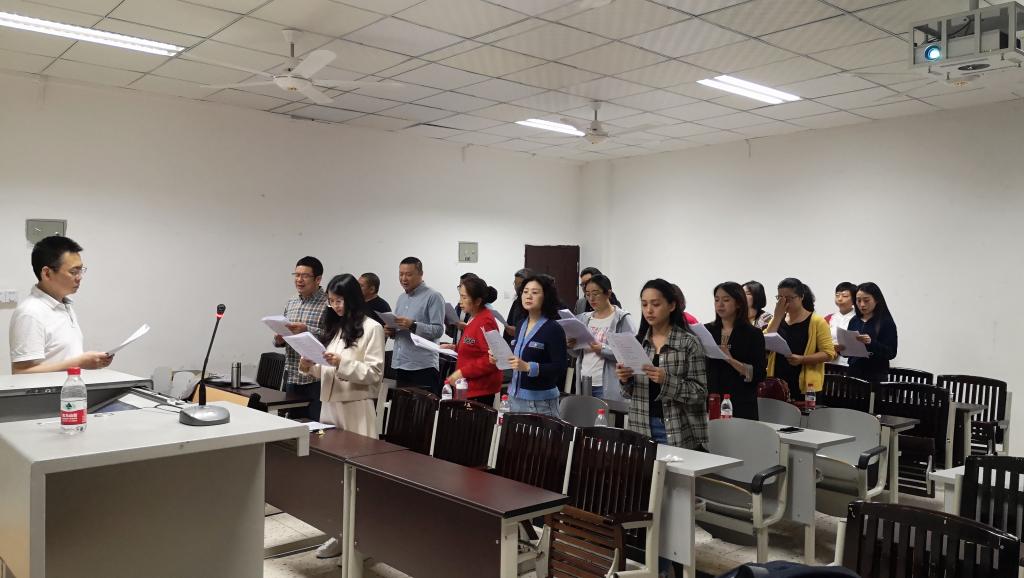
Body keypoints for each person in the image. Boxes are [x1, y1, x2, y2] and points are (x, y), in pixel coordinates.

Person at [298, 273, 384, 559]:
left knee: (358, 478)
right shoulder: (335, 328)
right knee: (334, 475)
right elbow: (327, 369)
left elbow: (374, 374)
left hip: (356, 408)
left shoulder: (372, 328)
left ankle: (363, 540)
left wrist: (342, 363)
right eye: (331, 301)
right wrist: (310, 366)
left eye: (339, 301)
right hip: (330, 407)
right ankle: (339, 534)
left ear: (353, 299)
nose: (334, 306)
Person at [615, 278, 708, 450]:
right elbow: (628, 393)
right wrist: (625, 379)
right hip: (640, 426)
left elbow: (700, 393)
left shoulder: (688, 343)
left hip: (675, 429)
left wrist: (667, 380)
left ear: (672, 306)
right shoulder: (637, 343)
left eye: (655, 304)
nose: (649, 310)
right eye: (644, 304)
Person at [9, 235, 113, 374]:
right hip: (50, 389)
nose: (79, 277)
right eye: (73, 272)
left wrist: (88, 362)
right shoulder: (30, 313)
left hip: (71, 386)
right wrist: (79, 362)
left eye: (81, 270)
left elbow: (63, 358)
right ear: (47, 273)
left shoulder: (64, 305)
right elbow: (21, 372)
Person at [490, 274, 567, 417]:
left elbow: (560, 367)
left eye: (535, 292)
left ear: (546, 297)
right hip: (514, 398)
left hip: (540, 403)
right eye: (525, 292)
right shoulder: (521, 324)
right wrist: (499, 358)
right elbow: (519, 357)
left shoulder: (553, 328)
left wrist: (528, 367)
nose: (528, 296)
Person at [273, 256, 328, 419]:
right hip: (292, 374)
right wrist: (279, 340)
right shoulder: (291, 302)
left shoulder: (328, 304)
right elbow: (286, 335)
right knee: (293, 424)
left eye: (305, 276)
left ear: (318, 279)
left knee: (315, 426)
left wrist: (307, 330)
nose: (299, 280)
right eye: (296, 275)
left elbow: (334, 338)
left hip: (316, 377)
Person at [765, 278, 836, 401]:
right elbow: (765, 341)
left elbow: (829, 353)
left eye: (789, 298)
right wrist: (777, 316)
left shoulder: (817, 321)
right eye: (780, 298)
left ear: (801, 297)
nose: (784, 303)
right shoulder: (777, 319)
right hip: (778, 380)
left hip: (805, 384)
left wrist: (802, 359)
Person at [568, 274, 635, 401]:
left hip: (608, 385)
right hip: (584, 381)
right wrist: (571, 346)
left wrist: (602, 349)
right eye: (587, 294)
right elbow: (577, 354)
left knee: (606, 414)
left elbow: (629, 354)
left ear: (608, 293)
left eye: (595, 293)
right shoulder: (583, 318)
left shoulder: (622, 319)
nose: (591, 298)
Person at [705, 282, 766, 420]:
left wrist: (730, 360)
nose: (720, 304)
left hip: (741, 404)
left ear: (738, 303)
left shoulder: (753, 334)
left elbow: (759, 374)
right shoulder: (707, 330)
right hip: (712, 401)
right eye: (716, 300)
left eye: (726, 300)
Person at [388, 257, 445, 396]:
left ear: (421, 274)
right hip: (400, 364)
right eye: (401, 274)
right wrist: (392, 331)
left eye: (408, 274)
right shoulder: (401, 298)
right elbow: (401, 329)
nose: (403, 278)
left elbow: (438, 330)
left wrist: (413, 325)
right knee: (402, 408)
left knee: (423, 408)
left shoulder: (433, 296)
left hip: (422, 366)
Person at [445, 276, 502, 406]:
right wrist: (454, 347)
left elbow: (491, 359)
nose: (460, 302)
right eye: (460, 296)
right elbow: (473, 346)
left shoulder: (486, 322)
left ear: (477, 301)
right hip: (467, 387)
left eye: (464, 297)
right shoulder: (473, 318)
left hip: (479, 390)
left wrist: (461, 373)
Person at [846, 282, 898, 384]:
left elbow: (891, 353)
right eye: (858, 300)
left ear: (877, 300)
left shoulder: (886, 322)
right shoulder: (854, 320)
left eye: (866, 300)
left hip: (875, 376)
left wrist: (871, 342)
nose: (862, 304)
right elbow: (850, 352)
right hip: (853, 373)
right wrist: (842, 349)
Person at [825, 281, 858, 367]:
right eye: (837, 295)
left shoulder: (859, 319)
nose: (839, 299)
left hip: (850, 364)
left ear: (854, 299)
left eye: (845, 296)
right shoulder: (828, 318)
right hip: (828, 362)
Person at [504, 268, 531, 342]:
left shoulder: (533, 304)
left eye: (520, 283)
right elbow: (509, 323)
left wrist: (518, 331)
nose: (517, 286)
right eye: (515, 283)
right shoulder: (516, 302)